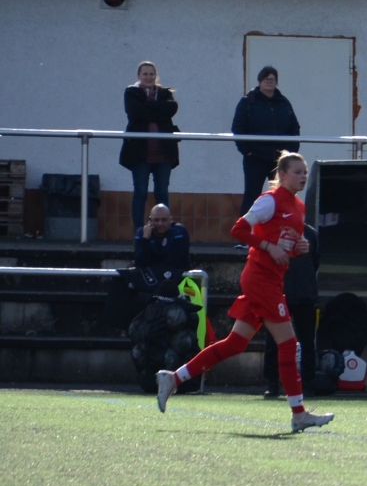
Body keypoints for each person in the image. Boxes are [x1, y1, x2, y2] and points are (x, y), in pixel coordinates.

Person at [155, 152, 333, 433]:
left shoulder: (298, 206)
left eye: (305, 173)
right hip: (260, 279)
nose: (303, 177)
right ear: (282, 175)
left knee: (235, 343)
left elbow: (283, 243)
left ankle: (173, 378)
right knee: (288, 344)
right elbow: (238, 229)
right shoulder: (269, 200)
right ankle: (299, 413)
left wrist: (297, 249)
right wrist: (266, 247)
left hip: (272, 280)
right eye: (297, 172)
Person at [121, 61, 179, 228]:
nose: (148, 77)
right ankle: (139, 232)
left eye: (151, 74)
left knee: (162, 193)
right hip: (140, 153)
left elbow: (172, 109)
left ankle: (164, 230)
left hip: (164, 153)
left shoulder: (165, 93)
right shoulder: (131, 92)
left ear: (156, 75)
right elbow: (135, 112)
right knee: (140, 192)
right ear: (139, 76)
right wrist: (158, 111)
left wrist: (147, 107)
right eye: (145, 74)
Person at [266, 221, 320, 400]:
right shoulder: (276, 232)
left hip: (302, 294)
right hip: (283, 293)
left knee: (304, 341)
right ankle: (274, 382)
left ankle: (305, 383)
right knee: (276, 340)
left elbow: (315, 262)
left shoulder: (310, 234)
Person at [230, 66, 300, 203]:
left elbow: (294, 128)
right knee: (252, 197)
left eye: (272, 79)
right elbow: (237, 128)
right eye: (266, 79)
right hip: (256, 159)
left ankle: (281, 224)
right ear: (259, 81)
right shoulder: (248, 102)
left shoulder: (284, 103)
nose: (269, 82)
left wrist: (291, 152)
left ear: (277, 82)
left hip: (280, 160)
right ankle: (246, 225)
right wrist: (247, 151)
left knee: (281, 197)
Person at [132, 203, 191, 281]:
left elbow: (177, 262)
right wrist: (145, 239)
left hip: (175, 278)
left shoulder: (179, 232)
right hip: (150, 279)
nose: (160, 223)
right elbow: (140, 264)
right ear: (150, 220)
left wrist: (153, 265)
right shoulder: (141, 233)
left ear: (170, 220)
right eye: (156, 220)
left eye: (164, 220)